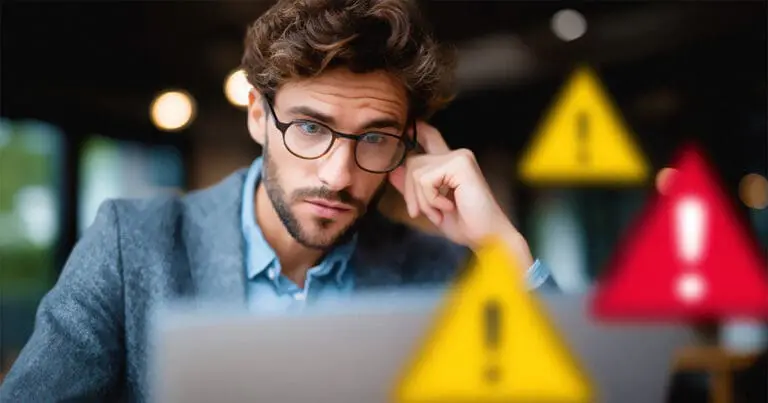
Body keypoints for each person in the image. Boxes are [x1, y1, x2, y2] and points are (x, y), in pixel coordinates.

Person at [0, 0, 556, 401]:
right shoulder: (131, 243)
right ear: (258, 116)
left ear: (410, 144)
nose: (339, 176)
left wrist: (502, 245)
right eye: (312, 128)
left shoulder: (440, 273)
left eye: (375, 137)